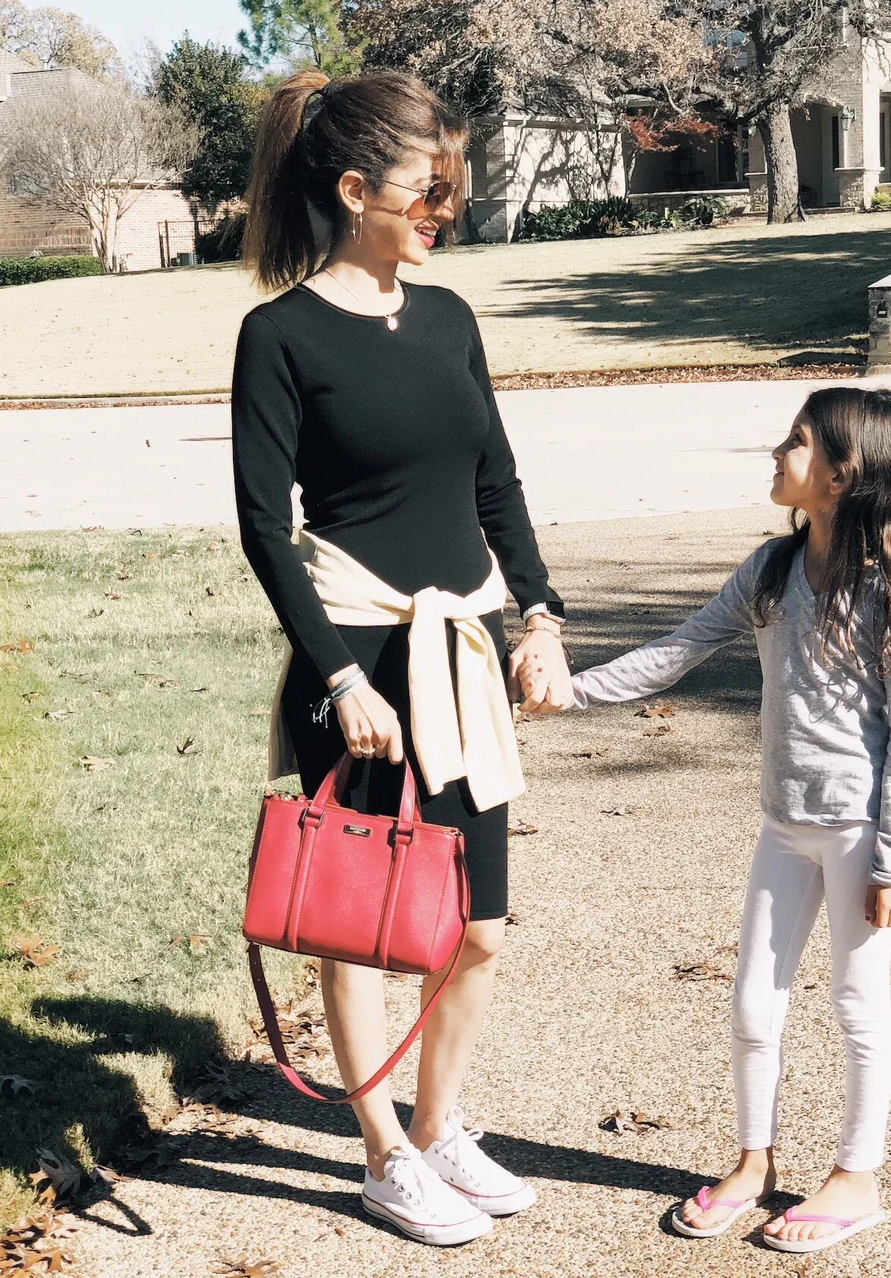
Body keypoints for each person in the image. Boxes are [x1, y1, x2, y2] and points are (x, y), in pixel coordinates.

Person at [232, 68, 572, 1247]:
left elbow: (495, 481)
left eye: (451, 190)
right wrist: (337, 677)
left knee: (475, 925)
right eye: (429, 191)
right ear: (352, 190)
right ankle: (383, 1156)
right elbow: (263, 527)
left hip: (458, 651)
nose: (446, 212)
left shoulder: (450, 319)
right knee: (365, 924)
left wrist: (538, 615)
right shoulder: (278, 336)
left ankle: (436, 1128)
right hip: (359, 660)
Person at [558, 385, 891, 1254]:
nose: (777, 454)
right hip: (784, 824)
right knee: (752, 1003)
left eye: (796, 442)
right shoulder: (772, 569)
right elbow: (680, 647)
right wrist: (570, 693)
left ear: (842, 474)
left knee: (857, 1005)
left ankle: (857, 1178)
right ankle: (753, 1163)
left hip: (858, 833)